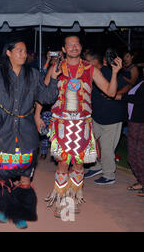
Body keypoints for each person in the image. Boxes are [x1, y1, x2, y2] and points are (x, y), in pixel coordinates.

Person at [0, 39, 60, 229]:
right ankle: (6, 208)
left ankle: (19, 213)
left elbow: (47, 97)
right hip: (4, 130)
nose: (24, 54)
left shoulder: (33, 74)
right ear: (8, 52)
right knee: (4, 175)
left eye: (25, 51)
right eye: (19, 50)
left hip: (26, 132)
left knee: (25, 175)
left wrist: (54, 78)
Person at [44, 36, 122, 218]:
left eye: (76, 44)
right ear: (63, 49)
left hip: (82, 125)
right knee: (63, 163)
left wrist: (115, 72)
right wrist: (37, 115)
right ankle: (62, 203)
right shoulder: (56, 68)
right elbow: (45, 93)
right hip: (61, 124)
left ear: (80, 47)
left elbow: (110, 92)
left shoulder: (90, 69)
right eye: (69, 45)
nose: (73, 47)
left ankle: (72, 200)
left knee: (78, 165)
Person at [84, 50, 128, 184]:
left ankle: (109, 175)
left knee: (107, 148)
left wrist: (114, 94)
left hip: (112, 117)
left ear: (92, 62)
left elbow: (127, 86)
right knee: (88, 142)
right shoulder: (90, 73)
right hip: (97, 116)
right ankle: (97, 166)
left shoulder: (108, 71)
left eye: (85, 60)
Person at [117, 69, 144, 197]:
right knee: (133, 156)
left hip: (141, 124)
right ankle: (141, 181)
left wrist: (120, 96)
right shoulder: (140, 82)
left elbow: (139, 99)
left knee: (140, 156)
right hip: (134, 122)